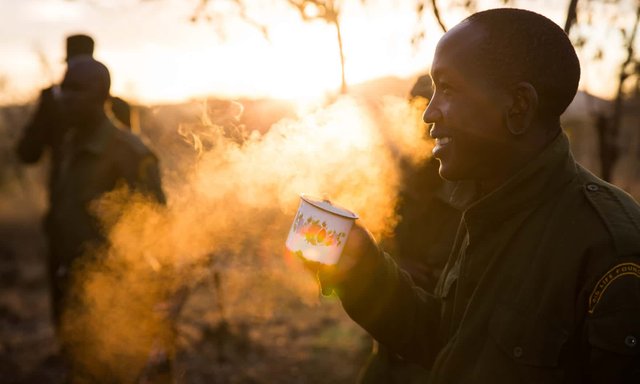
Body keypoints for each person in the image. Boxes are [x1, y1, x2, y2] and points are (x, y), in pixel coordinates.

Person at [316, 8, 640, 383]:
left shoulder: (611, 250)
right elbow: (451, 344)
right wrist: (361, 269)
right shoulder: (489, 205)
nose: (429, 113)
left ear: (518, 106)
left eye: (448, 89)